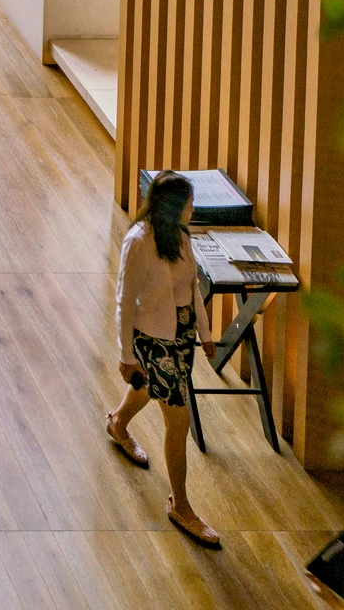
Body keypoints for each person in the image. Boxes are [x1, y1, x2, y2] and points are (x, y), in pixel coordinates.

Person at [108, 171, 220, 548]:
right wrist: (126, 357)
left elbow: (191, 287)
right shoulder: (138, 242)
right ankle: (181, 506)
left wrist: (204, 335)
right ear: (174, 206)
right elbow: (124, 302)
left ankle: (118, 424)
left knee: (151, 391)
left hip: (182, 333)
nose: (193, 208)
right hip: (153, 338)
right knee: (179, 419)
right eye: (189, 202)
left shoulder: (182, 236)